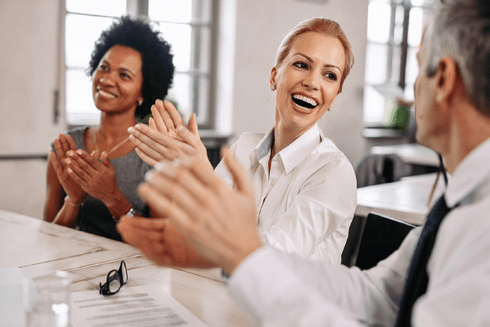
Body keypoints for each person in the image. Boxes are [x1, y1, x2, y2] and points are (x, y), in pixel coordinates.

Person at [118, 0, 490, 325]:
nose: (409, 93)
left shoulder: (479, 221)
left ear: (442, 79)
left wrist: (239, 254)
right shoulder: (460, 202)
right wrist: (231, 256)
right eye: (302, 65)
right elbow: (378, 297)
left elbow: (267, 249)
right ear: (275, 75)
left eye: (417, 68)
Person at [127, 17, 357, 263]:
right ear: (274, 76)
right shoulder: (244, 149)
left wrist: (204, 176)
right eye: (301, 64)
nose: (312, 82)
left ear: (334, 97)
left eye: (330, 75)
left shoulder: (334, 173)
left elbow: (271, 262)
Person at [43, 16, 175, 241]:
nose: (106, 79)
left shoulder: (155, 153)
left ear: (144, 90)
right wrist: (73, 201)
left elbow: (161, 242)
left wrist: (113, 197)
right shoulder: (68, 146)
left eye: (124, 75)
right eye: (104, 68)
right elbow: (48, 237)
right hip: (76, 269)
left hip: (135, 274)